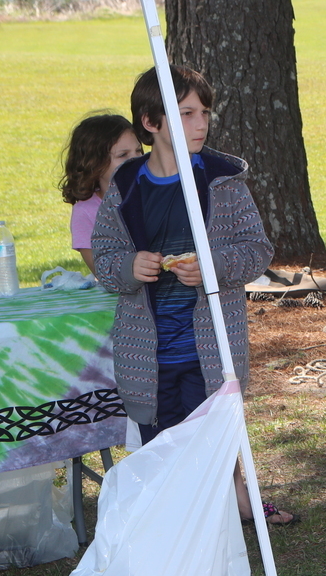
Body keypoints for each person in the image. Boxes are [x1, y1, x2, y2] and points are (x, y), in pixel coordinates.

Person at [91, 66, 297, 527]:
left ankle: (221, 521)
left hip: (210, 352)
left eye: (204, 112)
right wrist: (130, 267)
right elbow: (105, 256)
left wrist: (213, 268)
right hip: (150, 357)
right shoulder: (127, 188)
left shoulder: (224, 182)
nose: (201, 124)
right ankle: (177, 532)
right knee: (165, 450)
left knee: (212, 445)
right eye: (185, 113)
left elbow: (257, 250)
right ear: (151, 122)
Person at [61, 113, 143, 274]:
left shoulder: (155, 195)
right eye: (123, 155)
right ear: (94, 164)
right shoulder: (85, 211)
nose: (136, 160)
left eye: (138, 151)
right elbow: (102, 272)